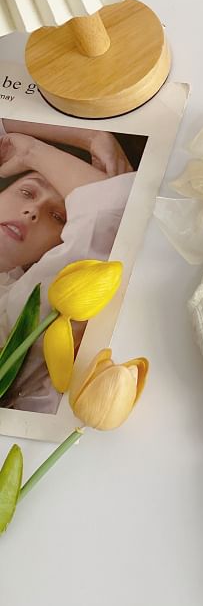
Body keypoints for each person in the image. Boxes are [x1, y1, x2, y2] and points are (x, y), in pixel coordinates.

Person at [0, 122, 136, 413]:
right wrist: (91, 136)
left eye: (57, 216)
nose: (32, 212)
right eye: (26, 192)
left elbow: (115, 214)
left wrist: (32, 151)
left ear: (56, 247)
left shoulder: (24, 306)